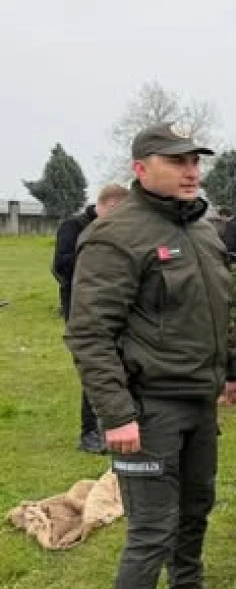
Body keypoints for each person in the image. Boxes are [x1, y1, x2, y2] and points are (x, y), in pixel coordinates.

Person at [65, 123, 236, 589]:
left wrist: (235, 368)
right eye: (177, 161)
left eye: (195, 160)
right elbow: (90, 332)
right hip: (149, 408)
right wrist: (115, 413)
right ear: (142, 167)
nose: (192, 170)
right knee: (150, 528)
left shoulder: (204, 230)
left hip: (198, 398)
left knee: (197, 503)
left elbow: (219, 307)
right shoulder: (118, 235)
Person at [53, 183, 129, 454]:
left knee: (119, 364)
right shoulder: (73, 227)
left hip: (115, 308)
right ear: (108, 205)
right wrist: (96, 269)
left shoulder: (117, 230)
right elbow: (61, 266)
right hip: (81, 308)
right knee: (95, 366)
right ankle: (89, 432)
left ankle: (115, 424)